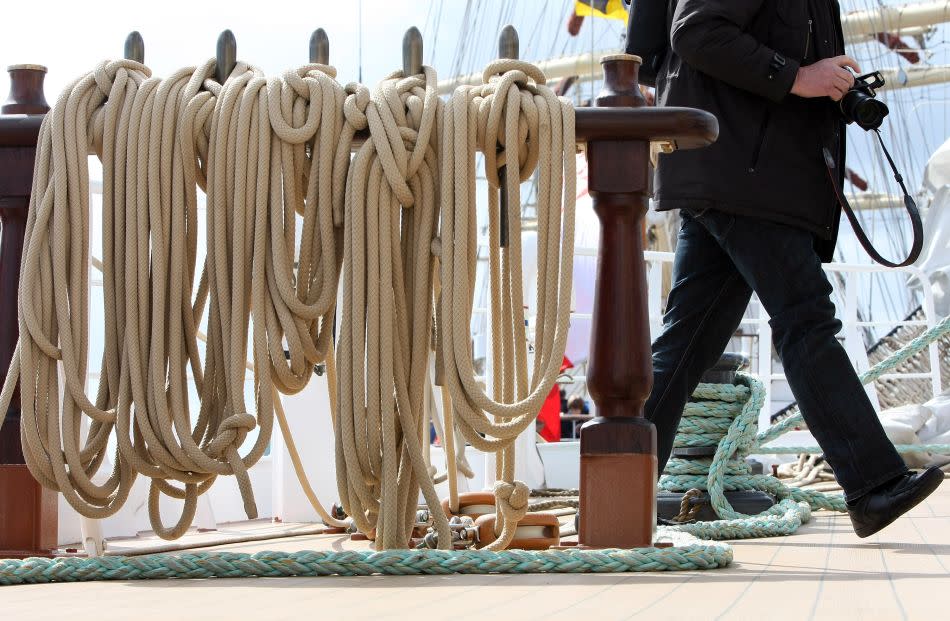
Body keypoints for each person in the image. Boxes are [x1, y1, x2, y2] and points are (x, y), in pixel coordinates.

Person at [642, 0, 942, 538]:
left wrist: (824, 83)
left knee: (687, 342)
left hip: (735, 175)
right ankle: (873, 485)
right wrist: (799, 76)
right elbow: (696, 31)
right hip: (747, 179)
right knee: (806, 321)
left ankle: (619, 490)